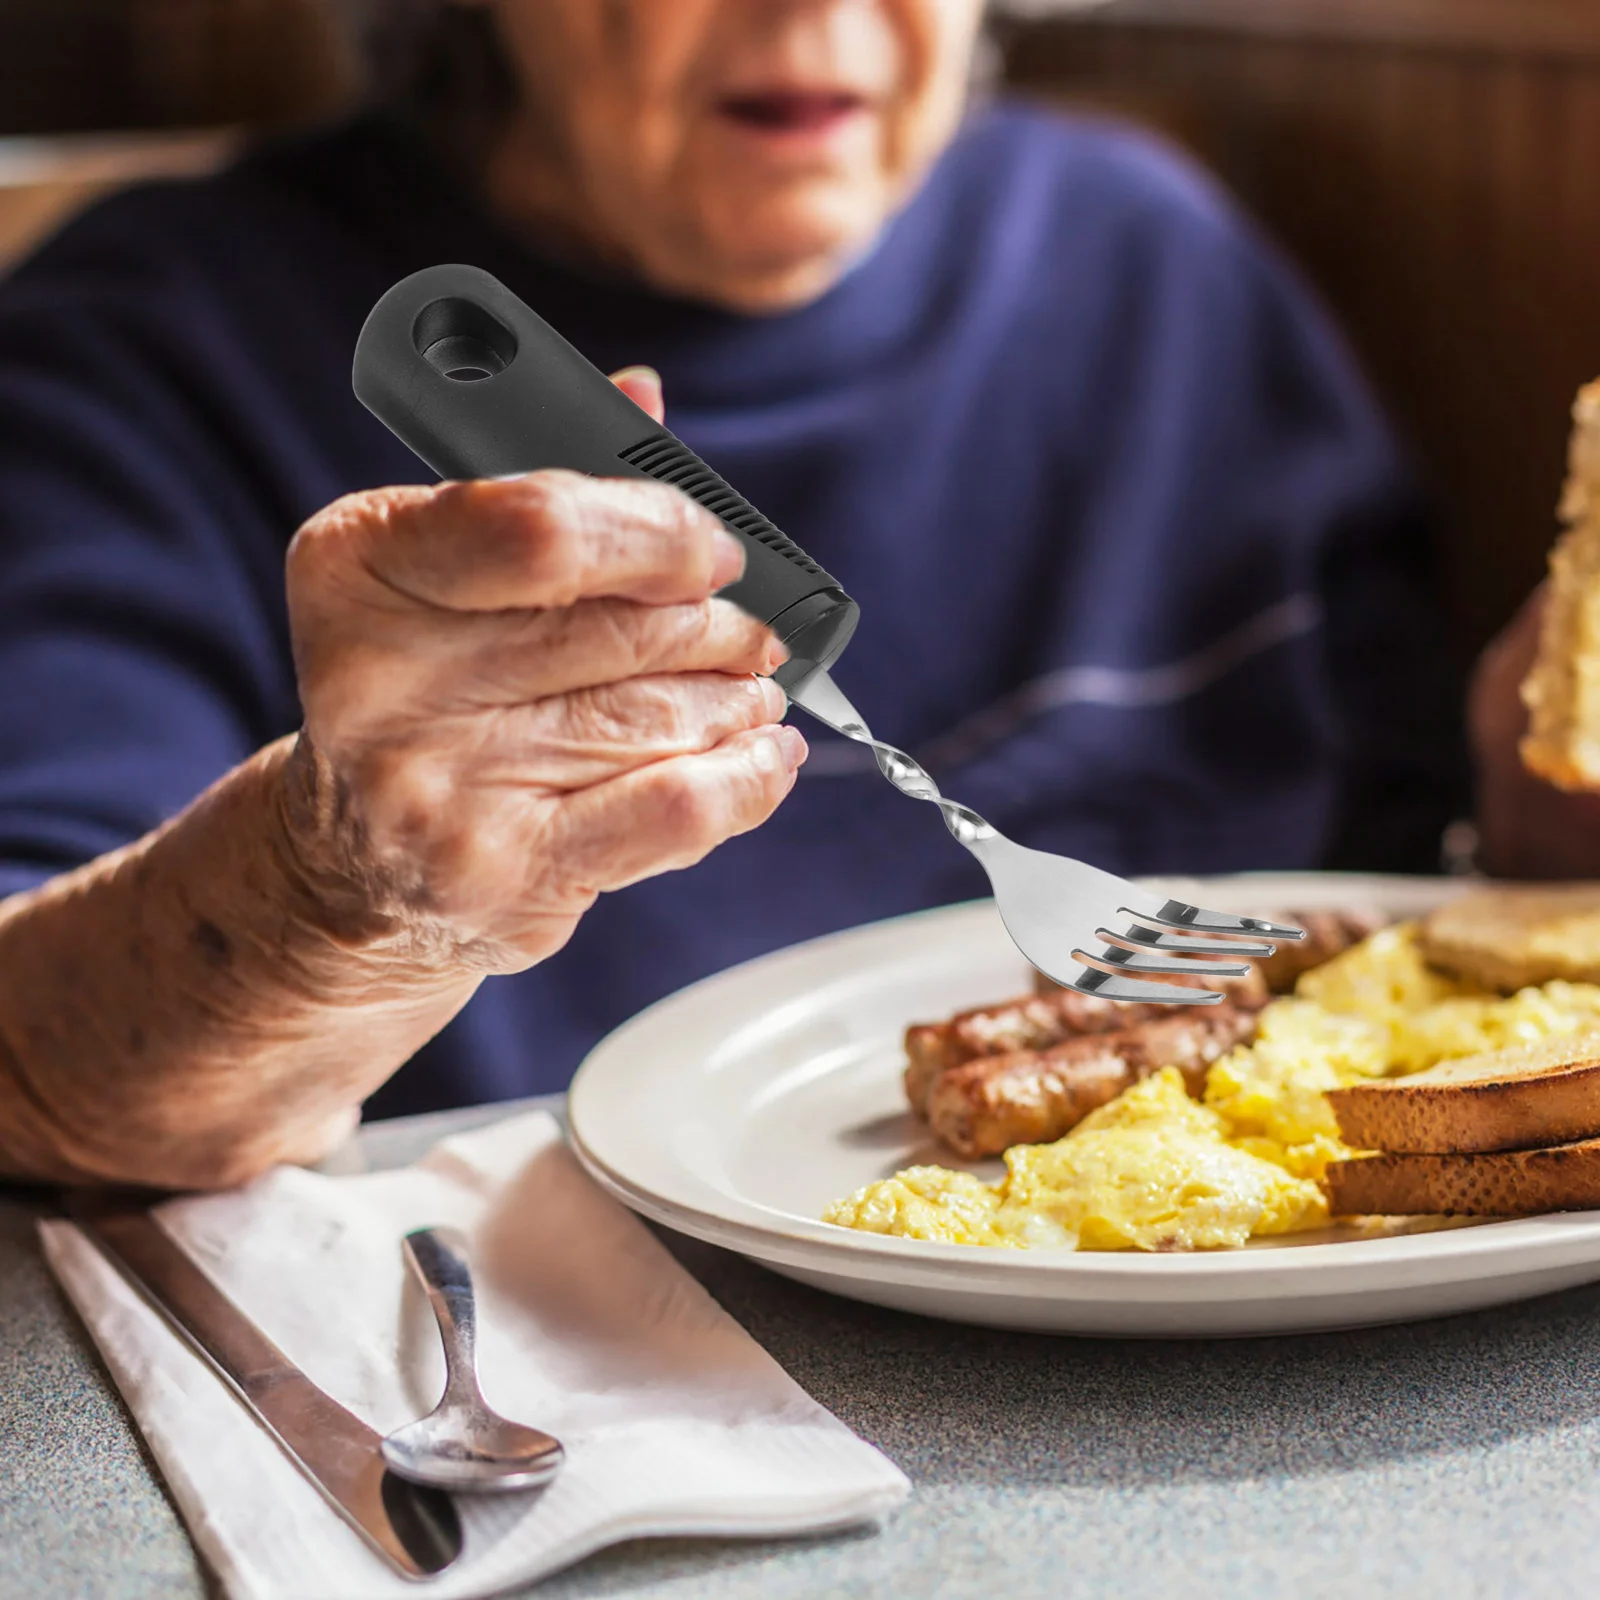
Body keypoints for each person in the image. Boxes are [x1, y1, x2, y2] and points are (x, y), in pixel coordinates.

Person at [0, 1, 1588, 1190]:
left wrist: (1543, 824)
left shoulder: (1153, 258)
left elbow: (1414, 886)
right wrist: (329, 889)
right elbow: (31, 1076)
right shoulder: (140, 351)